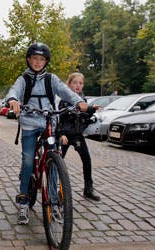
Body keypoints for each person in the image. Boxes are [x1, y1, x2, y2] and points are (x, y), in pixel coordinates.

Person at [5, 42, 88, 225]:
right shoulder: (23, 79)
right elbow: (14, 91)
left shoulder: (52, 79)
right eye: (34, 58)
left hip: (49, 122)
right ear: (28, 59)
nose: (37, 62)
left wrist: (78, 101)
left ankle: (55, 203)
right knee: (28, 161)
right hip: (29, 123)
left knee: (54, 160)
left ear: (46, 61)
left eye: (41, 59)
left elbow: (66, 92)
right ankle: (24, 202)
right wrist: (12, 100)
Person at [57, 72, 101, 202]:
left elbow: (84, 116)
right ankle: (57, 190)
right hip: (65, 136)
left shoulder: (83, 100)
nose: (78, 85)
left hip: (77, 135)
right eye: (75, 83)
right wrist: (60, 134)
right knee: (59, 163)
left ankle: (88, 189)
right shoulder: (64, 100)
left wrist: (92, 110)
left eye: (80, 83)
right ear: (69, 84)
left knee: (87, 160)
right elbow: (59, 118)